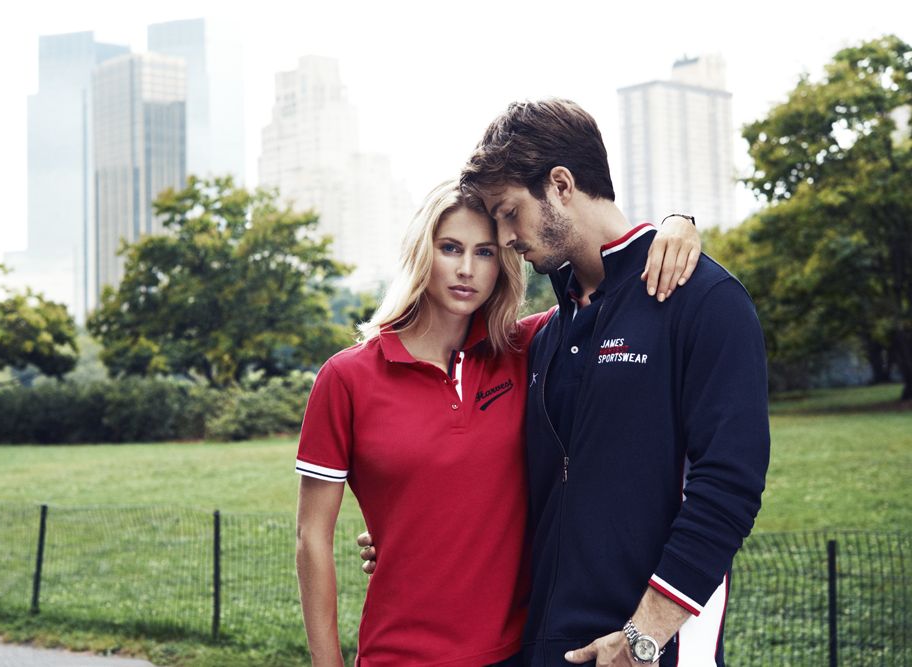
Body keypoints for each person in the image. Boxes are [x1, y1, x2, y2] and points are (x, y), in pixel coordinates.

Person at [295, 178, 701, 666]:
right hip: (398, 653)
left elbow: (610, 291)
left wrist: (677, 225)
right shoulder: (346, 378)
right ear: (421, 253)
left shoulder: (526, 348)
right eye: (450, 248)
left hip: (514, 651)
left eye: (485, 252)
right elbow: (311, 538)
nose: (467, 269)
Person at [458, 99, 770, 667]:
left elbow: (730, 486)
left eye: (509, 213)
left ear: (560, 185)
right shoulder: (548, 334)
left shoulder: (705, 300)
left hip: (647, 650)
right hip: (543, 647)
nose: (504, 237)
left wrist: (643, 637)